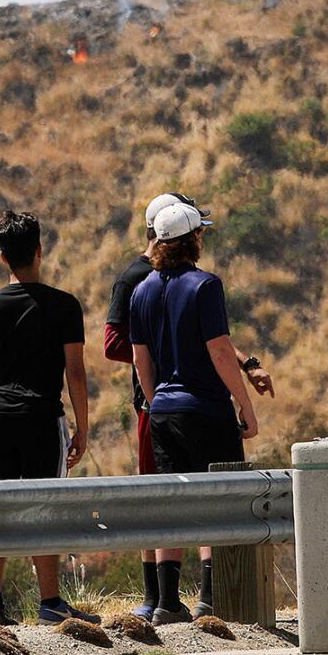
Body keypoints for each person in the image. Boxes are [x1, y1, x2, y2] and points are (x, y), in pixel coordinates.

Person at [105, 193, 274, 621]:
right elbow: (219, 351)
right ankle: (213, 597)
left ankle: (165, 601)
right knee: (220, 502)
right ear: (193, 239)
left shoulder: (141, 291)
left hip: (162, 410)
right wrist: (245, 405)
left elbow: (141, 358)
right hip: (206, 409)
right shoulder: (206, 285)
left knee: (172, 503)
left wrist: (155, 398)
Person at [0, 210, 100, 625]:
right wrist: (83, 426)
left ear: (3, 257)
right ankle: (49, 602)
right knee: (45, 508)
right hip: (44, 419)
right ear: (39, 251)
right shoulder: (64, 306)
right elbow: (74, 372)